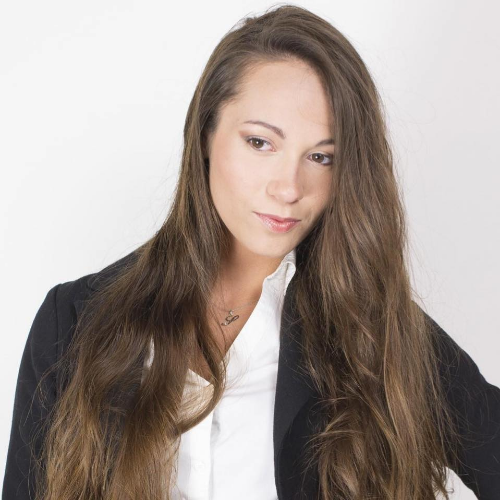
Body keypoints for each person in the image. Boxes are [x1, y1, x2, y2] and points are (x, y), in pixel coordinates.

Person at [3, 4, 500, 500]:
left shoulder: (379, 334)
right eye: (260, 143)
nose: (289, 187)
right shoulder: (74, 322)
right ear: (206, 135)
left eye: (321, 156)